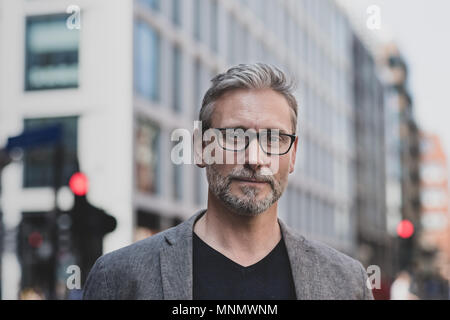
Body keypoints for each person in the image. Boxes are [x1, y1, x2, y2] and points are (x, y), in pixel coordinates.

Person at [83, 63, 374, 300]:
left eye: (274, 138)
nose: (255, 158)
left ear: (293, 155)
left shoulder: (346, 282)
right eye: (235, 136)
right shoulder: (119, 278)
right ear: (200, 147)